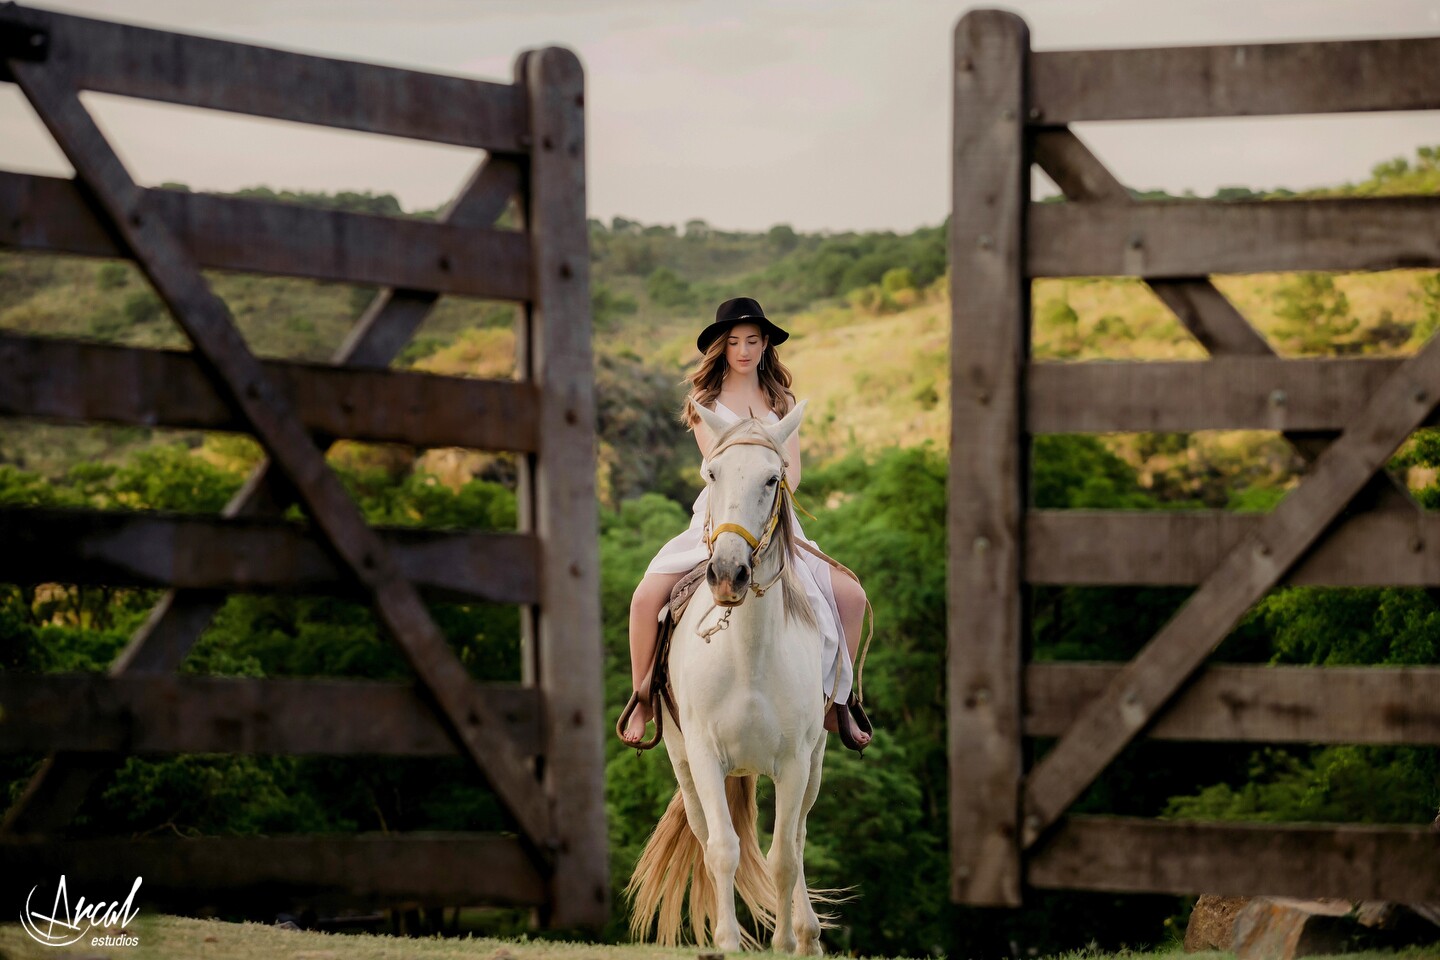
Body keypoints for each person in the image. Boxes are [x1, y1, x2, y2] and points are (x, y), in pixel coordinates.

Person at [620, 296, 872, 751]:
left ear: (765, 345)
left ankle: (840, 701)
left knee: (852, 597)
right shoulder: (706, 402)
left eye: (752, 340)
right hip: (722, 514)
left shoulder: (782, 401)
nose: (743, 349)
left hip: (773, 510)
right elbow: (716, 464)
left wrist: (771, 475)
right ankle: (643, 698)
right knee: (644, 599)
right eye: (733, 341)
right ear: (721, 346)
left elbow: (792, 472)